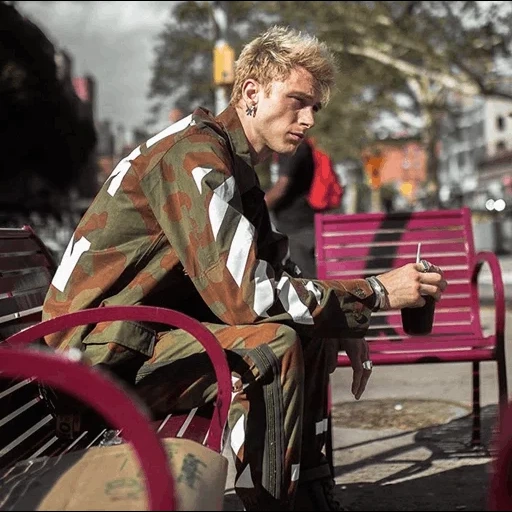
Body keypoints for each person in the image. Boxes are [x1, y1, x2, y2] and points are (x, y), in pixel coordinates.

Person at [42, 25, 447, 511]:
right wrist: (376, 293)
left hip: (136, 341)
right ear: (251, 92)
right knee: (271, 346)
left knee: (307, 330)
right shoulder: (193, 156)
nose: (308, 118)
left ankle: (311, 496)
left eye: (315, 107)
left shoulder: (235, 166)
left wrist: (341, 322)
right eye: (297, 101)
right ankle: (274, 504)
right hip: (91, 362)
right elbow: (248, 297)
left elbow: (279, 269)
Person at [265, 136, 341, 279]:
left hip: (297, 228)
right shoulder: (301, 146)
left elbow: (281, 187)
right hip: (304, 224)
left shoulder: (292, 149)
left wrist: (256, 207)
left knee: (306, 281)